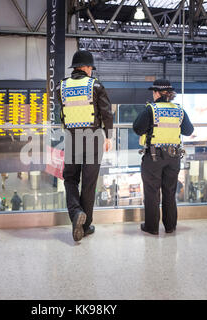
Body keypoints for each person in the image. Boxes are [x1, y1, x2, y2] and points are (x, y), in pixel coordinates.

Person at [56, 50, 114, 242]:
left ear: (75, 68)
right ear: (87, 68)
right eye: (90, 68)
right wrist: (109, 136)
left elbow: (62, 112)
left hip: (72, 138)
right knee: (88, 184)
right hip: (94, 138)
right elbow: (106, 113)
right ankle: (86, 225)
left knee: (70, 178)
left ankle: (75, 214)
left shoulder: (61, 87)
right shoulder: (95, 86)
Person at [133, 79, 194, 235]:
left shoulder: (151, 110)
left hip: (153, 156)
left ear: (157, 93)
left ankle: (152, 227)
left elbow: (137, 128)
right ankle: (170, 226)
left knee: (152, 192)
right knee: (169, 191)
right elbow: (188, 131)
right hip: (173, 156)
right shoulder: (179, 110)